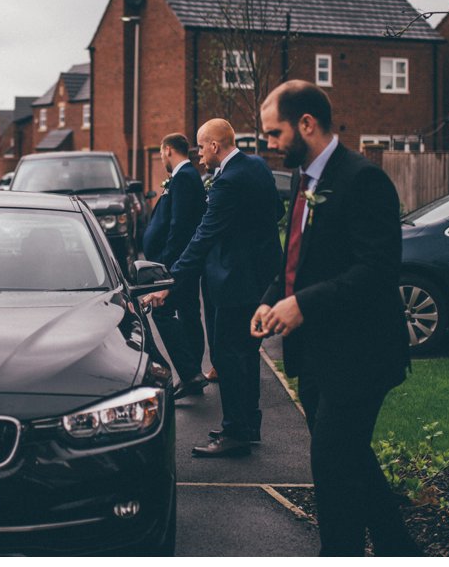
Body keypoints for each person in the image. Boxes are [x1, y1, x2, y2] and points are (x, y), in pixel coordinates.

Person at [251, 80, 418, 556]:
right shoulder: (306, 180)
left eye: (274, 132)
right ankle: (398, 550)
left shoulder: (362, 179)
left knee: (332, 468)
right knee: (352, 460)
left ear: (307, 124)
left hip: (362, 355)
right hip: (319, 355)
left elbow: (378, 270)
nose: (269, 144)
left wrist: (303, 304)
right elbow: (299, 260)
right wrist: (272, 297)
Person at [147, 118, 282, 457]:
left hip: (233, 280)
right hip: (260, 277)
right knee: (248, 354)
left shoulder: (227, 182)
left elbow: (204, 236)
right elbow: (276, 211)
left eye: (201, 147)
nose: (199, 154)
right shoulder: (258, 167)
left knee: (227, 354)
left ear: (215, 146)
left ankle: (234, 433)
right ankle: (249, 425)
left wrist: (171, 281)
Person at [140, 133, 208, 399]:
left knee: (162, 314)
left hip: (177, 263)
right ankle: (194, 374)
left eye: (161, 154)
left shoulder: (184, 177)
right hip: (183, 262)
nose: (162, 160)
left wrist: (167, 266)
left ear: (168, 150)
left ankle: (190, 372)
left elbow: (180, 226)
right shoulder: (186, 176)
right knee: (190, 312)